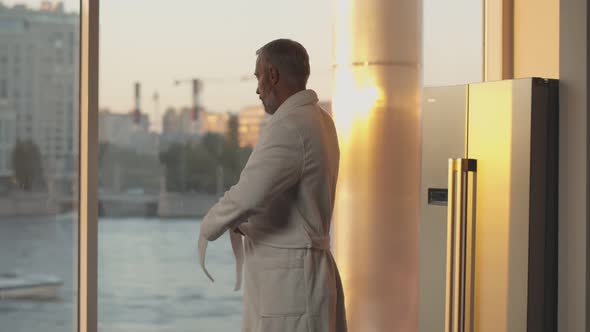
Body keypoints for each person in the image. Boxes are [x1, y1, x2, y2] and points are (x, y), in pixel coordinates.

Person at [198, 38, 347, 332]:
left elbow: (248, 194)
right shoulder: (321, 121)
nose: (257, 88)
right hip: (304, 273)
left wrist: (208, 226)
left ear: (272, 75)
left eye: (258, 77)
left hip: (292, 283)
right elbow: (288, 200)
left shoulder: (289, 126)